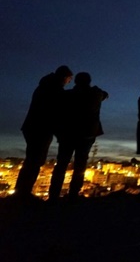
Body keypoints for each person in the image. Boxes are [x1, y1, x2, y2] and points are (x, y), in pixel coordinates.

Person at [14, 65, 73, 199]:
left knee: (32, 160)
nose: (69, 82)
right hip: (40, 128)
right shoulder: (53, 88)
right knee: (35, 160)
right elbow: (56, 106)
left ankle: (22, 192)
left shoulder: (47, 85)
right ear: (64, 77)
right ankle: (23, 194)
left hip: (34, 127)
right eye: (69, 79)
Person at [48, 72, 108, 201]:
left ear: (76, 82)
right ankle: (73, 194)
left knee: (62, 164)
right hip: (86, 134)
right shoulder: (95, 94)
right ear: (89, 81)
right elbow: (105, 95)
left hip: (68, 134)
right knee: (80, 164)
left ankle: (53, 194)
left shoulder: (67, 95)